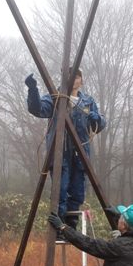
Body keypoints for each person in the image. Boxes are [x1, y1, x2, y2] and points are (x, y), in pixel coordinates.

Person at [26, 69, 106, 231]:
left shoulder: (88, 101)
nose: (73, 79)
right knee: (60, 192)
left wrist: (98, 119)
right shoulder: (55, 98)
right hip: (59, 153)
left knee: (77, 193)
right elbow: (37, 109)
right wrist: (33, 90)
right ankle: (59, 228)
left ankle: (71, 227)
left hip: (81, 154)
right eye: (69, 75)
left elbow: (98, 126)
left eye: (76, 76)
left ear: (81, 80)